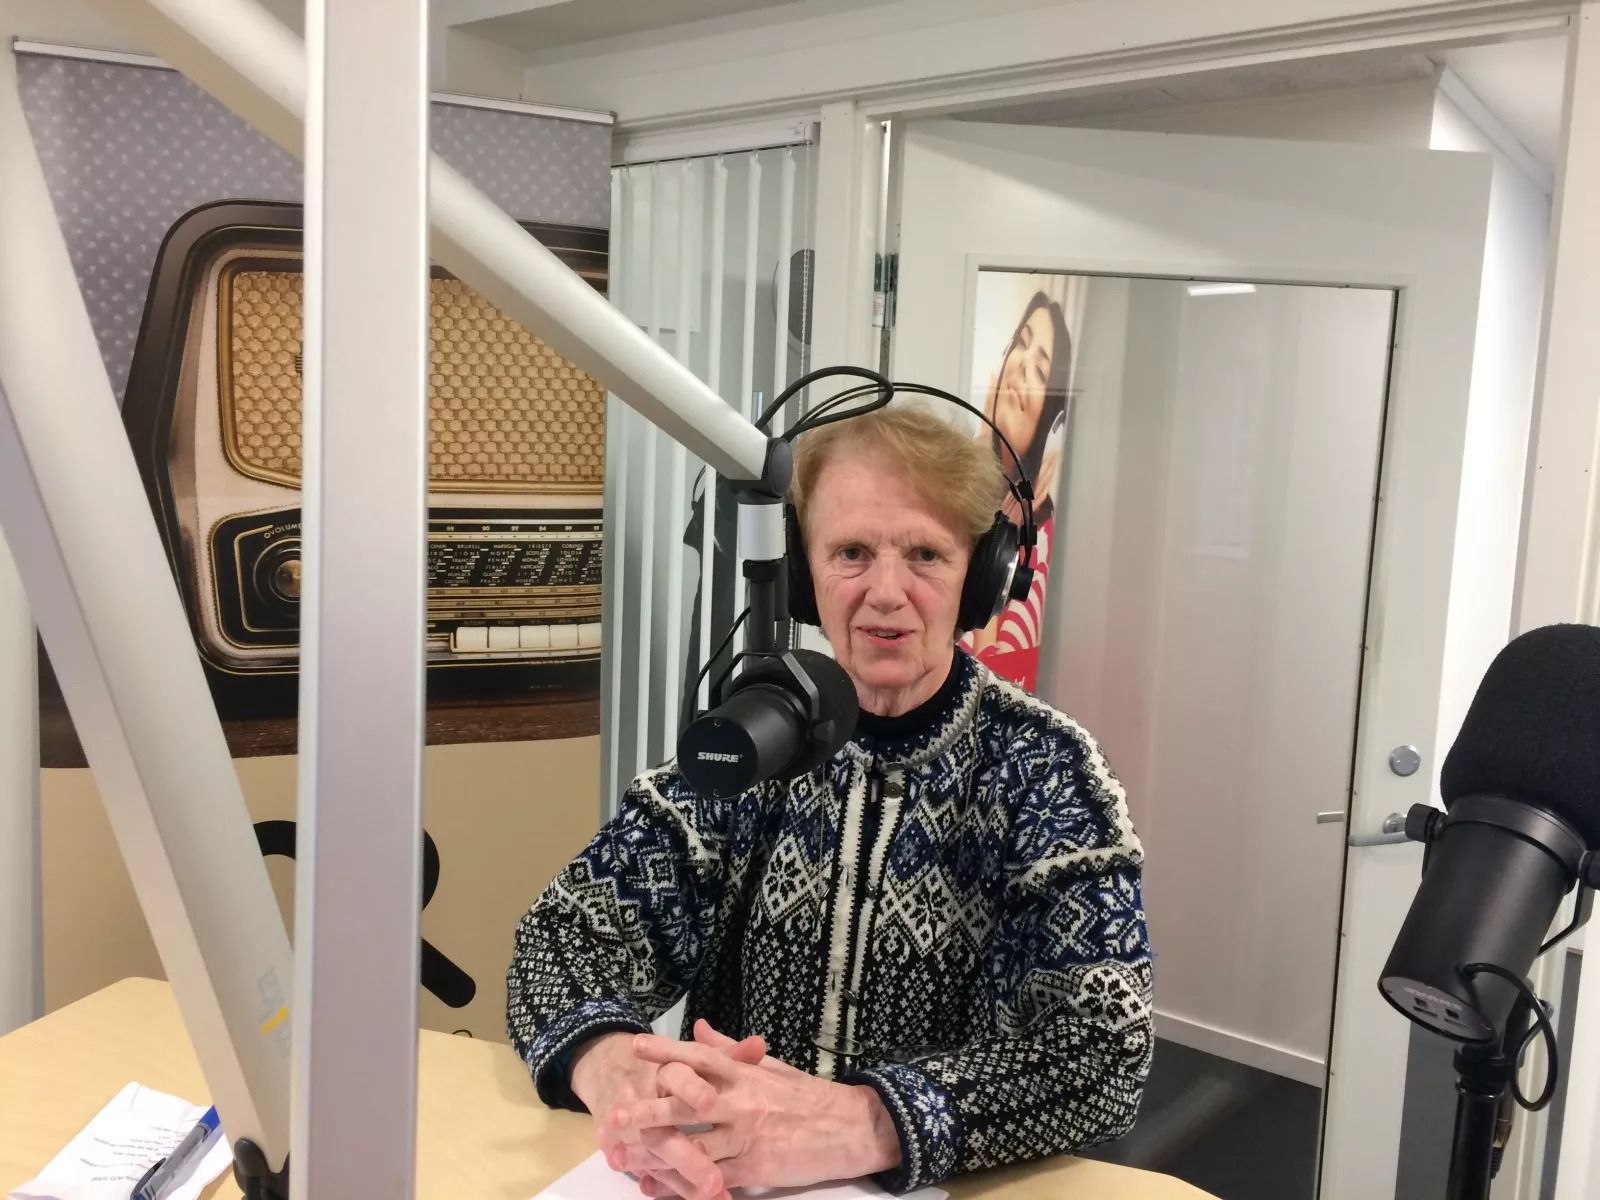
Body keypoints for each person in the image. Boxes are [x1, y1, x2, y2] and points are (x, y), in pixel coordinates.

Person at [506, 405, 1151, 1200]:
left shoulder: (1048, 771)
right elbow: (564, 936)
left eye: (926, 554)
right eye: (851, 553)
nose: (886, 592)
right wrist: (618, 1072)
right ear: (804, 573)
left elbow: (1108, 1048)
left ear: (982, 577)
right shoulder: (751, 745)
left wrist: (862, 1121)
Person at [961, 290, 1072, 688]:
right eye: (1021, 344)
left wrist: (1004, 524)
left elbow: (1001, 685)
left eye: (1040, 372)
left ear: (1051, 417)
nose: (1022, 365)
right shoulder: (950, 497)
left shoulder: (1036, 532)